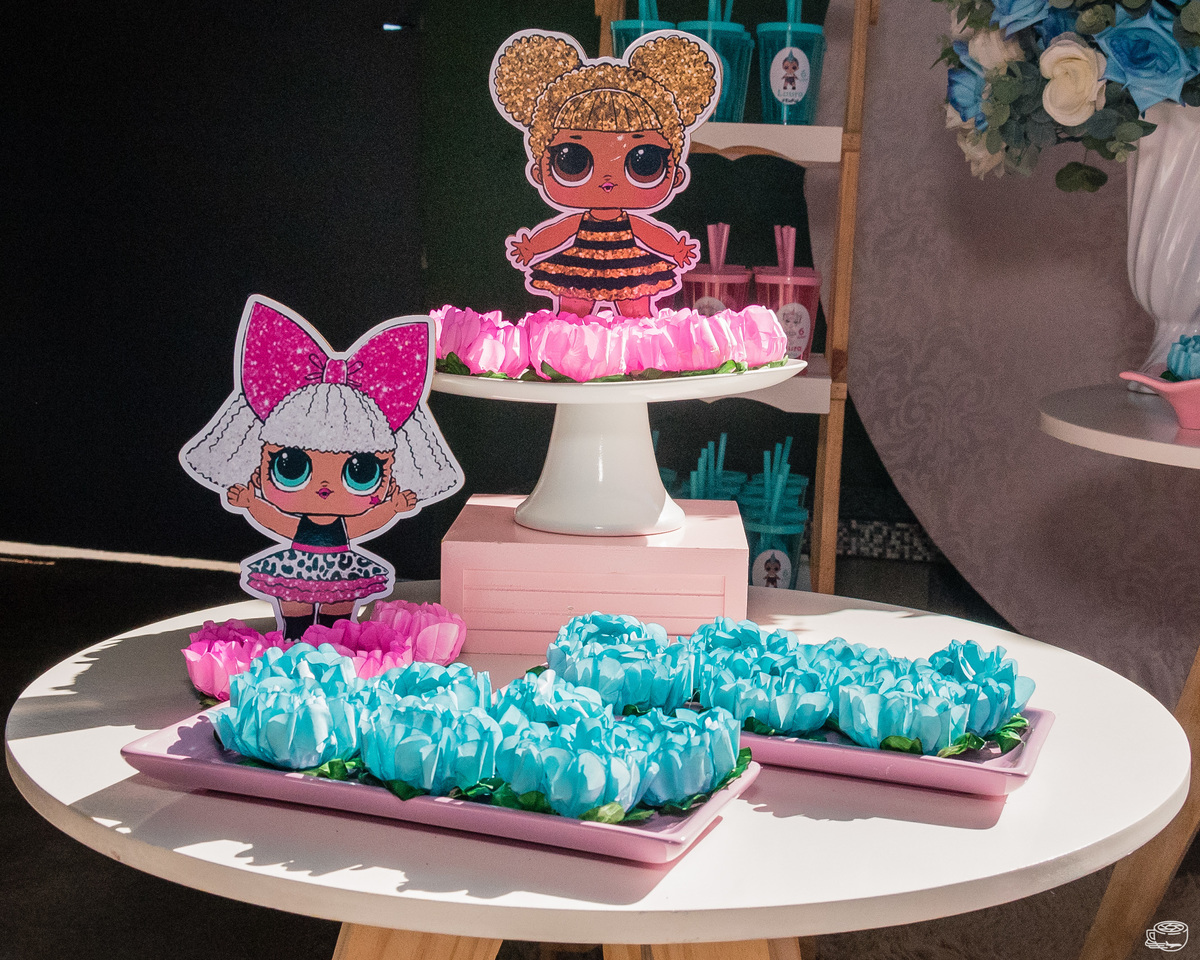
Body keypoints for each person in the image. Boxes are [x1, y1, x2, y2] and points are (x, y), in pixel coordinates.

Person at [181, 296, 462, 638]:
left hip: (343, 568)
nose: (324, 488)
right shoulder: (302, 521)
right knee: (296, 615)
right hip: (295, 568)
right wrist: (252, 503)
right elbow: (281, 523)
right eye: (291, 467)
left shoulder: (345, 523)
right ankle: (296, 636)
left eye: (360, 472)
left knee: (337, 617)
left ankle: (333, 640)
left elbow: (361, 524)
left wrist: (392, 508)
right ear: (259, 466)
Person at [492, 30, 719, 317]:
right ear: (538, 172)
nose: (607, 181)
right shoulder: (577, 220)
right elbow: (559, 231)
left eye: (644, 162)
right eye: (573, 161)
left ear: (676, 176)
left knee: (636, 308)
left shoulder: (630, 222)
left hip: (631, 268)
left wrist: (675, 249)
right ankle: (570, 334)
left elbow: (649, 233)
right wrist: (532, 247)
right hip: (578, 266)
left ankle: (635, 331)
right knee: (573, 308)